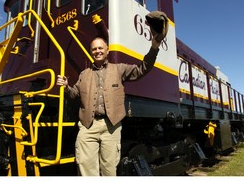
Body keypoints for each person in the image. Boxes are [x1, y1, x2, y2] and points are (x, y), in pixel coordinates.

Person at [56, 11, 168, 176]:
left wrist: (154, 47)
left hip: (111, 127)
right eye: (94, 49)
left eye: (101, 48)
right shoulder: (84, 74)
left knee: (109, 170)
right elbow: (74, 95)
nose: (97, 51)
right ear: (91, 52)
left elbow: (142, 69)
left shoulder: (119, 69)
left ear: (107, 51)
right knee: (86, 169)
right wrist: (66, 86)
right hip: (88, 126)